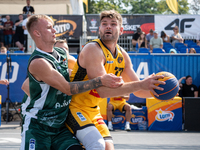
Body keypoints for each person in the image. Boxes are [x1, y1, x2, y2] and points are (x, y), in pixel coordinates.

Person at [65, 10, 165, 150]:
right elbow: (104, 91)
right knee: (97, 145)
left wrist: (162, 92)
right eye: (104, 24)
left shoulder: (122, 56)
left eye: (113, 24)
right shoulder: (93, 49)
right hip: (73, 107)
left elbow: (140, 91)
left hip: (93, 110)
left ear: (121, 30)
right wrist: (142, 84)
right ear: (99, 28)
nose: (108, 27)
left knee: (108, 147)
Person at [20, 14, 122, 150]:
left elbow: (75, 73)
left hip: (59, 127)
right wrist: (99, 80)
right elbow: (67, 88)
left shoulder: (62, 55)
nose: (54, 31)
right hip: (38, 125)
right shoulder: (39, 62)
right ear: (37, 33)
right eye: (49, 28)